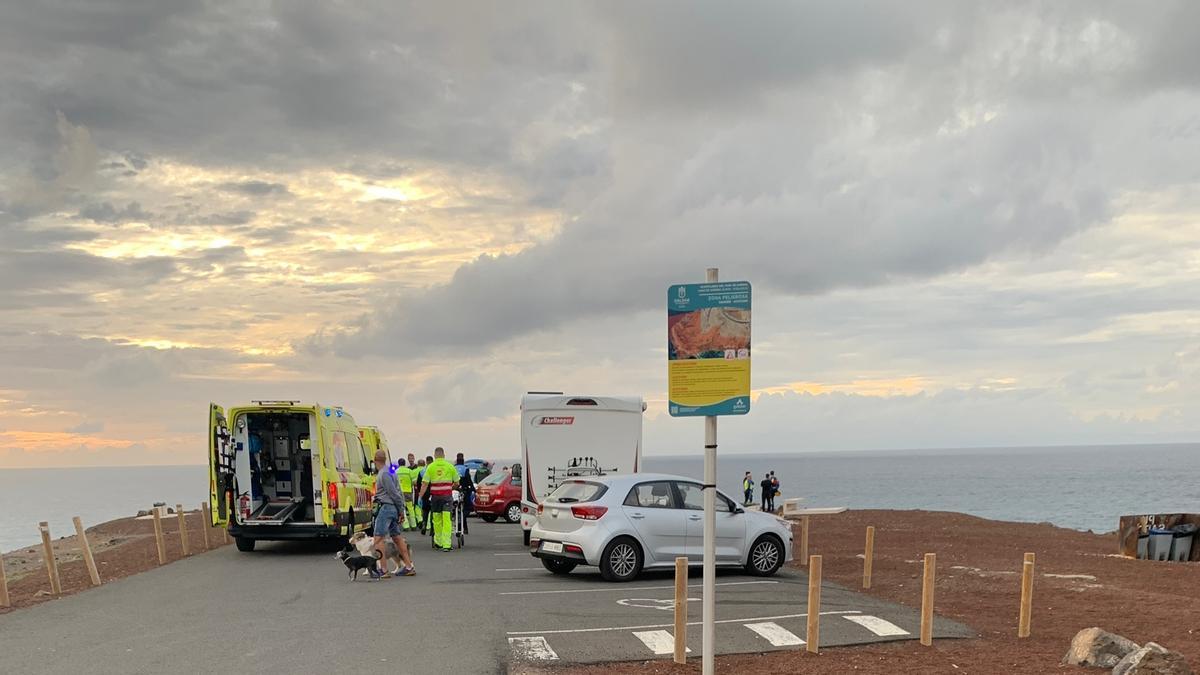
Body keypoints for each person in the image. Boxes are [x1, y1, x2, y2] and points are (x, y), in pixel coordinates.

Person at [371, 449, 415, 576]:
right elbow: (399, 490)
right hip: (393, 508)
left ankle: (383, 570)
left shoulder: (383, 474)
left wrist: (400, 509)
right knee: (397, 537)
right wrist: (400, 510)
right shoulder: (391, 471)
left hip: (386, 508)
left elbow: (393, 493)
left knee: (378, 539)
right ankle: (408, 566)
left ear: (375, 460)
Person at [421, 447, 459, 551]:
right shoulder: (450, 466)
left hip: (435, 497)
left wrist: (420, 496)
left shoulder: (430, 467)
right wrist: (450, 487)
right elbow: (457, 482)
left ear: (435, 455)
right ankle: (447, 544)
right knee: (447, 520)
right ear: (443, 455)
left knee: (436, 520)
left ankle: (438, 542)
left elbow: (424, 483)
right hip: (447, 497)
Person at [395, 458, 418, 531]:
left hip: (399, 493)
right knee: (411, 508)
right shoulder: (409, 471)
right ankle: (414, 525)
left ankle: (406, 526)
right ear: (405, 463)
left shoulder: (395, 472)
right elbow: (414, 482)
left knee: (402, 509)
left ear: (399, 464)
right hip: (408, 492)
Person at [455, 452, 476, 520]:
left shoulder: (453, 468)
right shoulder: (465, 469)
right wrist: (473, 489)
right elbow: (469, 480)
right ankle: (462, 518)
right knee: (469, 506)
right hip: (464, 490)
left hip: (455, 489)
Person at [418, 455, 434, 535]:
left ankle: (424, 523)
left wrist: (420, 494)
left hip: (425, 493)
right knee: (433, 511)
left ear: (426, 461)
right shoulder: (434, 469)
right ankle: (431, 528)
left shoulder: (422, 471)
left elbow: (418, 484)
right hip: (433, 493)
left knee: (425, 510)